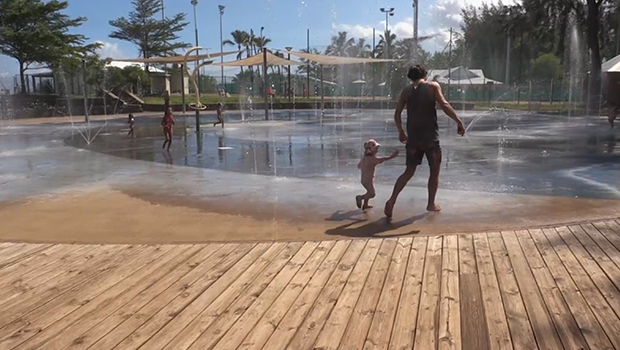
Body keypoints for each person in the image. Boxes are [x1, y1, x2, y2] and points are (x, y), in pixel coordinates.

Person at [384, 65, 466, 218]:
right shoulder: (432, 86)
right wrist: (458, 121)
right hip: (430, 139)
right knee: (434, 171)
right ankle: (430, 203)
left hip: (413, 139)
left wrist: (401, 131)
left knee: (408, 171)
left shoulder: (406, 91)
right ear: (425, 74)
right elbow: (444, 105)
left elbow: (397, 113)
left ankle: (392, 200)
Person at [356, 139, 399, 210]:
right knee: (372, 194)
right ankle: (360, 197)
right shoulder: (372, 159)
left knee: (369, 191)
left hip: (364, 180)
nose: (377, 151)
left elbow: (358, 166)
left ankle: (365, 204)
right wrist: (391, 157)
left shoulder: (365, 158)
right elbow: (382, 159)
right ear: (372, 150)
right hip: (368, 181)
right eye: (376, 149)